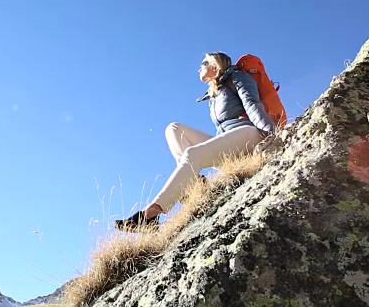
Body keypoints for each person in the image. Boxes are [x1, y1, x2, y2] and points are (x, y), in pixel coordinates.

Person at [114, 52, 277, 232]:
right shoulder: (214, 93)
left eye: (203, 62)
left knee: (193, 154)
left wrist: (273, 134)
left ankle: (150, 215)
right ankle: (195, 183)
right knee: (174, 128)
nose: (199, 67)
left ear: (215, 65)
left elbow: (253, 105)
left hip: (251, 135)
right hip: (232, 144)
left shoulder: (238, 77)